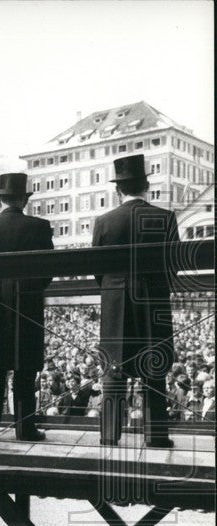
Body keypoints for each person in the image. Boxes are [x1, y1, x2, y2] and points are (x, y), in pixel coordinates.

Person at [93, 154, 179, 447]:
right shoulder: (166, 218)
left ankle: (109, 435)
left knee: (113, 367)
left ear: (118, 189)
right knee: (154, 366)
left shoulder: (104, 221)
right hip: (153, 301)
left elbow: (97, 269)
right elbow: (174, 265)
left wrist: (113, 290)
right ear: (146, 187)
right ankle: (156, 436)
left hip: (115, 302)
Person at [0, 172, 54, 441]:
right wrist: (29, 287)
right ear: (24, 200)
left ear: (0, 200)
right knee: (25, 367)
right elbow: (49, 271)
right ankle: (25, 429)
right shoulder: (40, 227)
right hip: (27, 302)